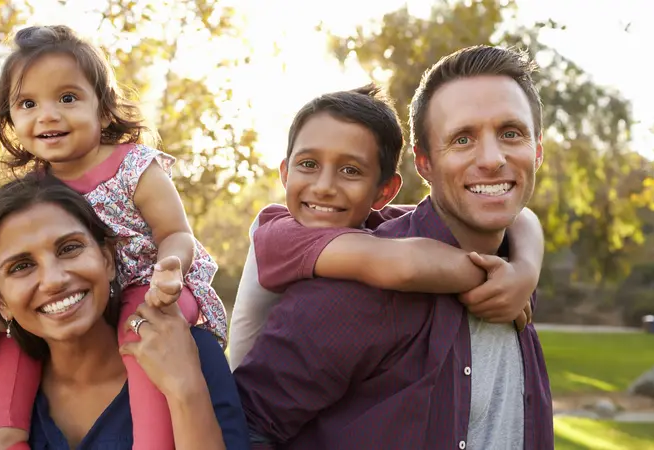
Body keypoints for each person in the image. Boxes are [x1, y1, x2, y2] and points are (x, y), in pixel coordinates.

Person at [235, 45, 553, 449]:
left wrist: (524, 270)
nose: (492, 159)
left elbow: (525, 219)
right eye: (462, 139)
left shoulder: (515, 270)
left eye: (511, 133)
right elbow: (244, 427)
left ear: (537, 150)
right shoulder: (353, 282)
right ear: (424, 164)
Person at [0, 25, 227, 450]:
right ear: (12, 121)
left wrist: (169, 270)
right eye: (28, 103)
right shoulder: (33, 190)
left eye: (67, 98)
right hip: (91, 301)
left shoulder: (134, 166)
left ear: (103, 109)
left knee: (139, 335)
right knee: (11, 341)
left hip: (150, 287)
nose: (48, 114)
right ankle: (5, 436)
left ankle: (151, 440)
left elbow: (175, 232)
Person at [228, 84, 543, 369]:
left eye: (350, 170)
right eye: (308, 165)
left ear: (385, 192)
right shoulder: (278, 232)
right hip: (244, 417)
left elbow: (522, 216)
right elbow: (404, 265)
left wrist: (524, 271)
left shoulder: (373, 223)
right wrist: (498, 278)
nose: (323, 186)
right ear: (285, 173)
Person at [0, 174, 249, 450]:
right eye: (22, 266)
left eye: (69, 248)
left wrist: (185, 391)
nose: (54, 279)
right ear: (1, 301)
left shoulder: (188, 351)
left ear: (107, 260)